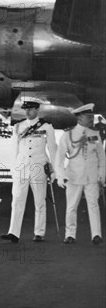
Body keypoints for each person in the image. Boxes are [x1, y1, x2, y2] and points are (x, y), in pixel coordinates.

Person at [1, 99, 57, 243]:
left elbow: (52, 149)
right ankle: (13, 233)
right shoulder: (19, 126)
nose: (28, 112)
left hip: (39, 168)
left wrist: (54, 170)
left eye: (31, 109)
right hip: (21, 168)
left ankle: (39, 232)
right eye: (26, 109)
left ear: (37, 110)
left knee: (40, 202)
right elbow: (14, 150)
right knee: (17, 201)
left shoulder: (46, 126)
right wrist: (13, 169)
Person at [55, 104, 105, 245]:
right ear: (79, 117)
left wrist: (102, 175)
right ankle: (70, 235)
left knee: (94, 205)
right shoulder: (68, 134)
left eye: (91, 116)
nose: (91, 118)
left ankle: (96, 235)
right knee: (71, 206)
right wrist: (60, 175)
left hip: (91, 176)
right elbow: (59, 158)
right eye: (88, 116)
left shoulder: (95, 134)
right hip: (74, 176)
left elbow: (101, 157)